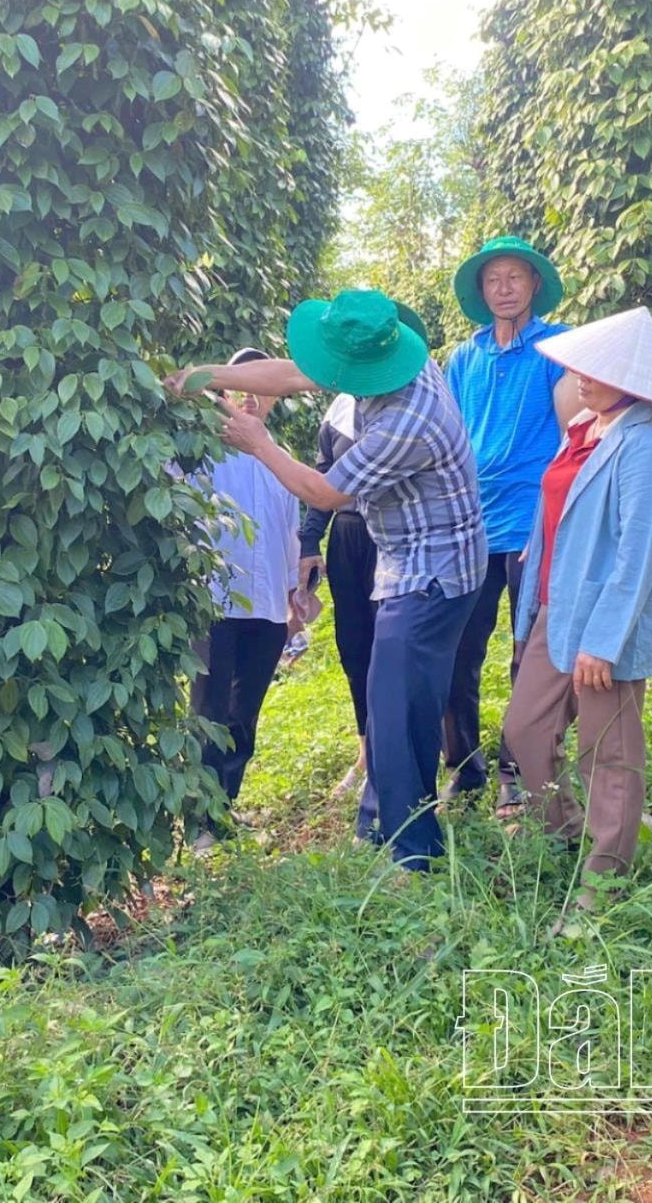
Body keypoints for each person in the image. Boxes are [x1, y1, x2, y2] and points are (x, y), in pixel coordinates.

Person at [169, 290, 484, 871]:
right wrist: (200, 376)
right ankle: (383, 827)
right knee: (399, 703)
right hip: (408, 560)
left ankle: (411, 855)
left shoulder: (408, 421)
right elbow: (290, 374)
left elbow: (327, 492)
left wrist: (257, 443)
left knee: (394, 707)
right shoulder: (400, 361)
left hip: (434, 572)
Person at [501, 307, 652, 908]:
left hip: (603, 620)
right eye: (583, 365)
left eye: (600, 370)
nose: (583, 377)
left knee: (606, 752)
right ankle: (565, 832)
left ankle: (604, 877)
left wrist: (604, 640)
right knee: (524, 730)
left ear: (634, 380)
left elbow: (638, 555)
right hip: (555, 605)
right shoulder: (584, 426)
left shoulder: (649, 448)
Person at [442, 236, 577, 812]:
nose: (503, 288)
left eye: (514, 277)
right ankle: (464, 768)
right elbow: (446, 437)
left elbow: (575, 431)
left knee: (528, 652)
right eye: (493, 279)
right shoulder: (463, 357)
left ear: (534, 286)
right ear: (481, 290)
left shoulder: (559, 348)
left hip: (532, 524)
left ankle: (517, 770)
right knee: (454, 649)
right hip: (470, 524)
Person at [298, 303, 433, 798]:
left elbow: (327, 487)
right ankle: (365, 748)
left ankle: (403, 757)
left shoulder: (406, 408)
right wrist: (310, 540)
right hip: (348, 538)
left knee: (394, 649)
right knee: (355, 645)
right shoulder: (337, 410)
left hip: (393, 539)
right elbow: (322, 472)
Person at [191, 348, 302, 853]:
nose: (251, 398)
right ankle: (199, 822)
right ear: (224, 391)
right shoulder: (201, 451)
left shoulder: (280, 460)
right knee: (208, 712)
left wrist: (294, 600)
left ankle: (224, 807)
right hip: (215, 605)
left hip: (267, 610)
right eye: (241, 387)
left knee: (243, 716)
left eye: (262, 389)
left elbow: (289, 536)